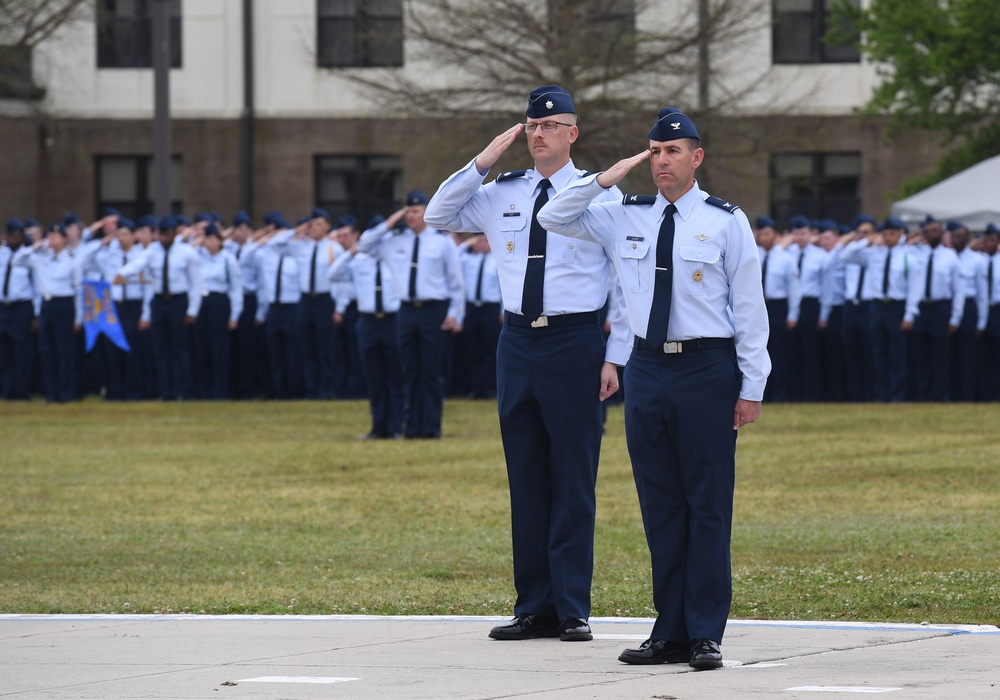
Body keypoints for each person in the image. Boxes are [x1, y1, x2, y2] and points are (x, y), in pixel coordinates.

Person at [537, 106, 770, 669]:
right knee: (660, 503)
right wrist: (603, 179)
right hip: (647, 368)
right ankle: (669, 630)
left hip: (706, 369)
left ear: (696, 158)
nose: (662, 161)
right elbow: (553, 218)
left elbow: (748, 306)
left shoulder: (724, 220)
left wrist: (752, 384)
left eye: (673, 152)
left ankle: (706, 631)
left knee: (707, 504)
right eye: (655, 152)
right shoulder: (624, 213)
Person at [424, 85, 627, 643]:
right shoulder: (501, 190)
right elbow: (437, 214)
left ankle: (571, 607)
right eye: (532, 126)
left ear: (572, 133)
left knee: (574, 477)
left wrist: (615, 356)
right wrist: (484, 160)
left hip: (575, 342)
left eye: (550, 125)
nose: (538, 134)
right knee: (528, 477)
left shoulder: (600, 195)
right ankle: (533, 605)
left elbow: (626, 286)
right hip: (517, 343)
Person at [358, 191, 464, 439]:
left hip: (433, 310)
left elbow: (456, 281)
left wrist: (455, 314)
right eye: (407, 211)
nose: (411, 216)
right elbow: (364, 245)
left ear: (427, 212)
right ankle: (411, 427)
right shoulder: (395, 240)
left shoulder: (441, 241)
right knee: (409, 371)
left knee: (430, 371)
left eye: (415, 211)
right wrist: (389, 223)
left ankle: (430, 427)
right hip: (405, 311)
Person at [329, 214, 404, 438]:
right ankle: (378, 426)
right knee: (374, 377)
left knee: (395, 375)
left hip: (393, 320)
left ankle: (396, 427)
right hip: (368, 321)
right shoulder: (359, 260)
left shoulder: (396, 258)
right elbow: (333, 275)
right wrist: (352, 252)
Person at [114, 214, 203, 401]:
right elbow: (138, 264)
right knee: (160, 349)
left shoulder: (186, 252)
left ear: (173, 233)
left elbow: (196, 284)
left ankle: (179, 390)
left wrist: (192, 311)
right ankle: (164, 390)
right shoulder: (153, 251)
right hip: (159, 302)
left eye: (167, 234)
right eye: (160, 234)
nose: (163, 238)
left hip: (178, 301)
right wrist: (122, 273)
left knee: (178, 349)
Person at [14, 222, 83, 403]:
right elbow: (17, 260)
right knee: (47, 351)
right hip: (46, 305)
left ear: (65, 239)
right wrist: (35, 246)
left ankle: (66, 392)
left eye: (56, 237)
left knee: (64, 351)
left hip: (64, 305)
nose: (52, 240)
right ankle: (51, 392)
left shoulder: (72, 260)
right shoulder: (41, 258)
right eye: (49, 236)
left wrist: (78, 317)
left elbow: (78, 291)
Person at [904, 216, 963, 401]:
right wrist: (910, 313)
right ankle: (923, 395)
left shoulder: (950, 257)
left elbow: (958, 290)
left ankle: (941, 395)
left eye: (935, 230)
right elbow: (913, 286)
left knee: (940, 356)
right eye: (928, 231)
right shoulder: (916, 254)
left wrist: (955, 318)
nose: (932, 234)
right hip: (922, 309)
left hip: (940, 308)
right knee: (920, 355)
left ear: (942, 233)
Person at [193, 223, 243, 399]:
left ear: (220, 241)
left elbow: (236, 288)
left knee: (219, 348)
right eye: (207, 239)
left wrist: (234, 315)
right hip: (202, 301)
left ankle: (221, 389)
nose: (209, 243)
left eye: (213, 239)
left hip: (219, 302)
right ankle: (204, 389)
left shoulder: (228, 259)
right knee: (202, 346)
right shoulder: (198, 257)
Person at [756, 216, 799, 402]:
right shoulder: (754, 254)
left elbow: (794, 289)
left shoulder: (786, 258)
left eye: (768, 233)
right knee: (758, 352)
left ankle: (780, 395)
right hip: (759, 307)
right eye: (760, 233)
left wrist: (792, 314)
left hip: (778, 307)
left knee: (779, 353)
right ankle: (760, 394)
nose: (763, 237)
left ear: (776, 236)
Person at [457, 234, 503, 399]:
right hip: (472, 308)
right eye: (480, 241)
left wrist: (502, 311)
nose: (483, 244)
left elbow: (503, 287)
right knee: (473, 347)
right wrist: (469, 242)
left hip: (490, 309)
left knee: (490, 348)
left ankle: (490, 388)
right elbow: (454, 254)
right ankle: (476, 388)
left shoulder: (497, 261)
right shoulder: (469, 260)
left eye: (486, 241)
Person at [0, 219, 36, 400]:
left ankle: (22, 391)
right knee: (4, 352)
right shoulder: (2, 254)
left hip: (20, 307)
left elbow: (37, 285)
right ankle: (7, 389)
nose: (14, 239)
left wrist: (35, 314)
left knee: (21, 352)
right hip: (3, 307)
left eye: (17, 236)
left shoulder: (29, 256)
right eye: (11, 235)